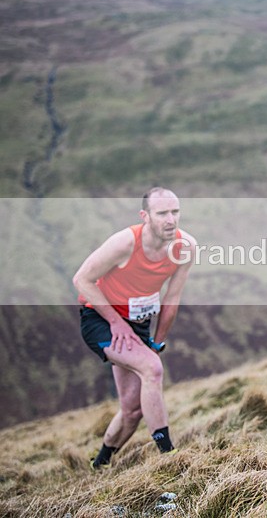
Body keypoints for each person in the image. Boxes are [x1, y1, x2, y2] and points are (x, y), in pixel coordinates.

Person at [73, 187, 196, 469]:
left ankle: (100, 464)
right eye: (162, 213)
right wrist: (116, 322)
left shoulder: (185, 247)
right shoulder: (125, 243)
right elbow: (82, 280)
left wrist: (157, 341)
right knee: (152, 369)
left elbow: (172, 298)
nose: (170, 220)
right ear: (145, 216)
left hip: (139, 324)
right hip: (101, 320)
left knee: (132, 410)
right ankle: (170, 457)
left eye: (175, 212)